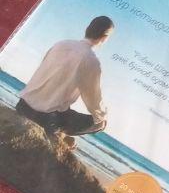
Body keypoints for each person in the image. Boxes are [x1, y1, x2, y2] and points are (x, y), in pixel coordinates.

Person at [16, 15, 114, 143]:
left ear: (88, 28)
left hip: (23, 105)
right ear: (105, 37)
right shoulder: (91, 61)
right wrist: (103, 116)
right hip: (45, 118)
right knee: (100, 123)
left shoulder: (61, 44)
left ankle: (60, 133)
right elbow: (93, 100)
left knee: (64, 108)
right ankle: (56, 132)